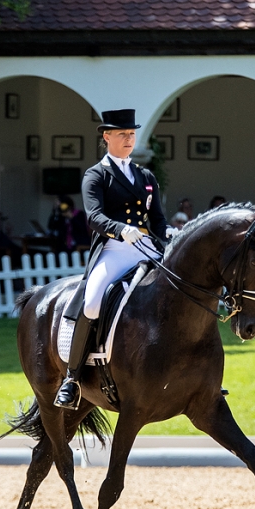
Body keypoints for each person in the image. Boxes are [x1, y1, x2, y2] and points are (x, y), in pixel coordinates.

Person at [54, 108, 173, 410]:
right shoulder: (96, 175)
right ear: (107, 136)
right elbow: (94, 216)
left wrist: (168, 232)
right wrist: (121, 230)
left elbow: (157, 219)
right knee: (92, 302)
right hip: (114, 249)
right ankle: (72, 378)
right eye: (122, 134)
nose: (128, 139)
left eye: (131, 134)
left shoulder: (145, 176)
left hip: (146, 246)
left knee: (179, 290)